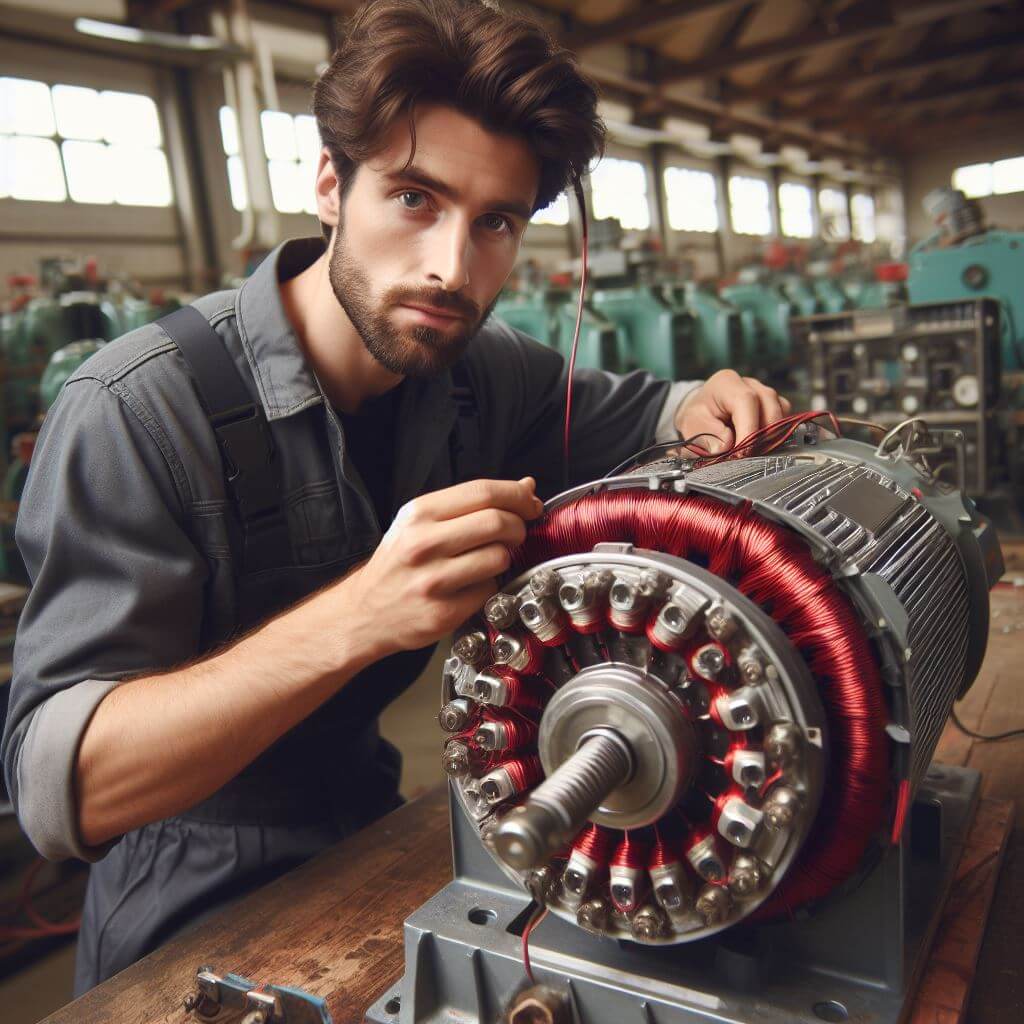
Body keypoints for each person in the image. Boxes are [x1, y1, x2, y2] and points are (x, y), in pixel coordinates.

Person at [1, 0, 790, 993]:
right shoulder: (139, 410)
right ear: (330, 184)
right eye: (415, 199)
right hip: (185, 909)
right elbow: (65, 789)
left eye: (494, 221)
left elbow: (654, 412)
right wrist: (357, 618)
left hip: (382, 833)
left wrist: (713, 403)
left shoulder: (480, 373)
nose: (450, 268)